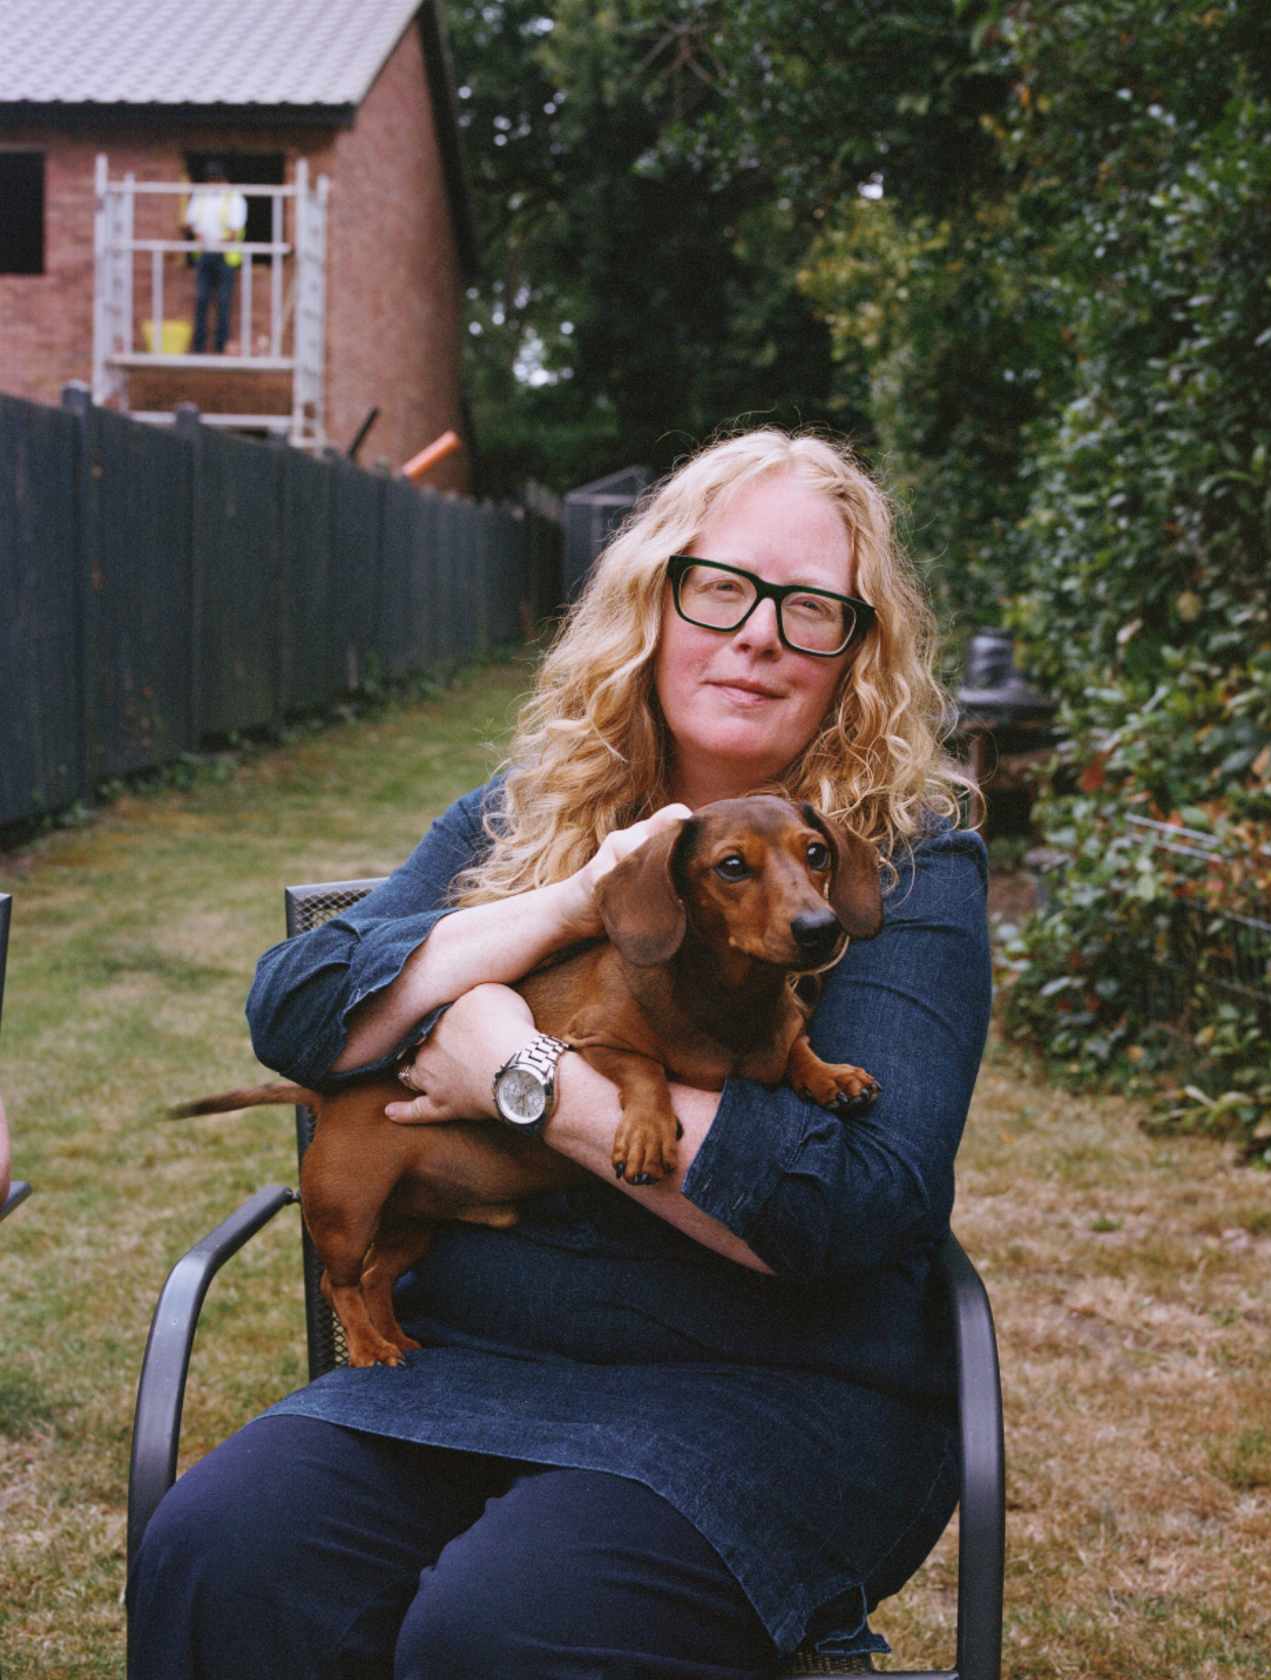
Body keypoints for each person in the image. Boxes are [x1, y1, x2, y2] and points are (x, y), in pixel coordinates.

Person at [126, 428, 992, 1679]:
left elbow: (859, 1208)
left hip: (773, 1390)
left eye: (812, 611)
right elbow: (300, 1010)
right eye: (722, 587)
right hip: (472, 1369)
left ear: (857, 652)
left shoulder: (899, 870)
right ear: (655, 598)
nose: (758, 634)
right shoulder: (520, 817)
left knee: (508, 1627)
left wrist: (524, 1080)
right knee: (224, 1549)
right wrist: (570, 900)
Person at [184, 161, 246, 354]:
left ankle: (221, 346)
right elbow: (190, 223)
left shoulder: (234, 198)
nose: (213, 183)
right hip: (205, 254)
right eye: (210, 179)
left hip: (225, 256)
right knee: (202, 299)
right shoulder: (201, 196)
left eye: (216, 179)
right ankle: (199, 346)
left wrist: (221, 240)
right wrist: (199, 235)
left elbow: (235, 230)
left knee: (224, 300)